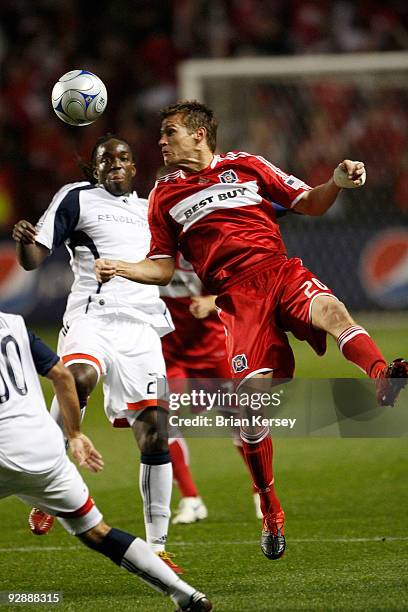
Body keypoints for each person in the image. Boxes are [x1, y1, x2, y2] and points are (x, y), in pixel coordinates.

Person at [94, 101, 408, 562]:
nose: (160, 141)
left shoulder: (248, 166)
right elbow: (163, 270)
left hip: (279, 271)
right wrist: (122, 267)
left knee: (333, 310)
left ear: (199, 134)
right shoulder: (164, 196)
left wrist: (337, 181)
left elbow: (311, 203)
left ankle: (382, 374)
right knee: (250, 411)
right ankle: (271, 507)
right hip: (239, 302)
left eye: (170, 132)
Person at [12, 135, 180, 572]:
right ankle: (50, 485)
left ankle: (159, 546)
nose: (117, 164)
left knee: (156, 432)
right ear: (95, 167)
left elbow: (168, 267)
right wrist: (25, 240)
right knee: (79, 378)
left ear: (134, 166)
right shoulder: (77, 197)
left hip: (142, 328)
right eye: (108, 159)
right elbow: (34, 257)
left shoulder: (151, 209)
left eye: (125, 157)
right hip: (93, 317)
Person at [0, 310, 211, 612]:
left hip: (4, 454)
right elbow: (61, 375)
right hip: (47, 454)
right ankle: (186, 595)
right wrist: (74, 434)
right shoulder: (14, 323)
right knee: (98, 531)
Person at [161, 252, 263, 523]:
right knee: (161, 419)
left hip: (212, 348)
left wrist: (212, 301)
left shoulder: (203, 247)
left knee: (240, 419)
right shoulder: (144, 246)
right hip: (167, 349)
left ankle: (261, 492)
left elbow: (245, 293)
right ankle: (191, 499)